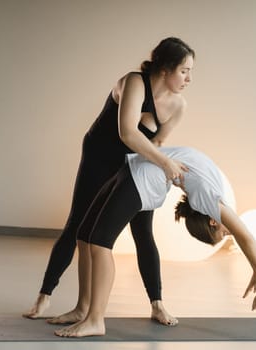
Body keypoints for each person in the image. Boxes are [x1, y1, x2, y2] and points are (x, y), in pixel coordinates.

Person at [23, 37, 195, 326]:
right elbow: (128, 132)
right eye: (184, 70)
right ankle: (45, 296)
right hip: (100, 158)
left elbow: (158, 142)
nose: (189, 78)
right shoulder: (134, 82)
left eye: (191, 71)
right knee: (77, 225)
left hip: (134, 165)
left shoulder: (178, 105)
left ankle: (157, 304)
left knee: (143, 232)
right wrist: (165, 163)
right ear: (165, 68)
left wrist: (159, 171)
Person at [54, 146, 256, 338]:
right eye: (225, 234)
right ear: (213, 221)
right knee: (86, 235)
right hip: (138, 169)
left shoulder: (208, 198)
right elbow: (246, 237)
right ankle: (86, 312)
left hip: (143, 174)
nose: (230, 232)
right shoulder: (211, 198)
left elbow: (244, 238)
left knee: (100, 242)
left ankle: (95, 318)